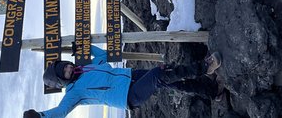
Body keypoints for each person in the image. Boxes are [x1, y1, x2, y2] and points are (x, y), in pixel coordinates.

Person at [23, 45, 224, 118]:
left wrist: (85, 48)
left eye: (65, 66)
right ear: (61, 82)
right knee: (159, 75)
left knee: (171, 81)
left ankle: (212, 91)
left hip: (131, 76)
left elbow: (103, 55)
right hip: (126, 96)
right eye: (63, 73)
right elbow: (60, 112)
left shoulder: (86, 68)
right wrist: (41, 116)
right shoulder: (73, 93)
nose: (67, 69)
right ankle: (205, 67)